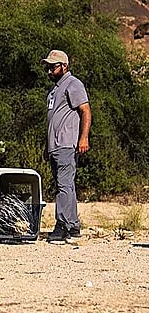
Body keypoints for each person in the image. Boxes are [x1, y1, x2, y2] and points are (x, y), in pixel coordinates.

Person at [42, 49, 92, 242]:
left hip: (66, 144)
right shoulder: (54, 90)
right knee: (65, 185)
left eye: (53, 67)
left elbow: (85, 111)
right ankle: (72, 225)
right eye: (48, 67)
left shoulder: (73, 84)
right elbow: (53, 120)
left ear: (64, 66)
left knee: (63, 185)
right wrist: (47, 146)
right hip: (55, 145)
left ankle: (62, 224)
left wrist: (83, 138)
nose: (49, 71)